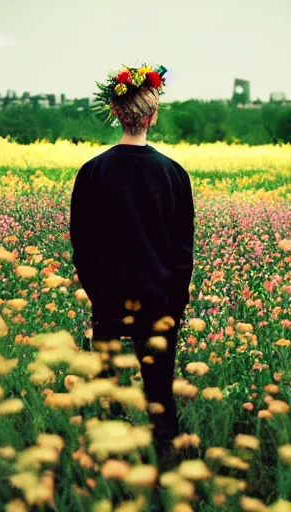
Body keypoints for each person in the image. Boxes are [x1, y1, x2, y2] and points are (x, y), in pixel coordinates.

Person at [69, 64, 195, 465]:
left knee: (108, 395)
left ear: (116, 112)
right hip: (159, 304)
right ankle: (168, 479)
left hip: (108, 303)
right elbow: (182, 252)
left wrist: (98, 296)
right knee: (160, 397)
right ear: (152, 115)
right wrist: (175, 304)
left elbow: (82, 247)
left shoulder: (92, 172)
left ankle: (111, 475)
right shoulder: (174, 174)